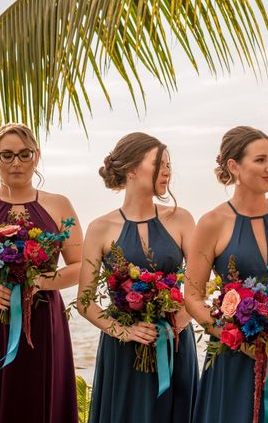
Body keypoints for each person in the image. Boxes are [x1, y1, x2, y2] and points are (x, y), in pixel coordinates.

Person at [186, 125, 268, 422]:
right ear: (234, 166)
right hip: (234, 355)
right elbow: (192, 297)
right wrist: (238, 342)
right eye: (260, 160)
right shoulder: (211, 223)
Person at [0, 122, 82, 422]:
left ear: (37, 157)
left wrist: (42, 279)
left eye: (24, 154)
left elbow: (79, 266)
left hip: (43, 320)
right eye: (7, 155)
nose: (17, 162)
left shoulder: (59, 205)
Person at [78, 132, 197, 423]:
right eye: (158, 163)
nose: (167, 170)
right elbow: (84, 301)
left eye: (168, 164)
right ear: (131, 169)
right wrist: (125, 331)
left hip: (176, 345)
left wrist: (178, 321)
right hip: (124, 354)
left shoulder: (182, 219)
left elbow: (198, 286)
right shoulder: (100, 227)